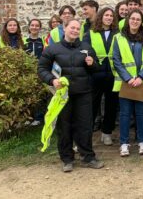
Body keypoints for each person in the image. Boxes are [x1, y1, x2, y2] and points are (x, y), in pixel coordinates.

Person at [38, 19, 104, 172]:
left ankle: (88, 157)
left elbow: (97, 69)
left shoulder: (86, 48)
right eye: (72, 28)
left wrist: (92, 63)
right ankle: (67, 159)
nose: (75, 31)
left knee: (85, 126)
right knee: (64, 127)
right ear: (64, 28)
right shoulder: (52, 49)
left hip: (84, 93)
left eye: (77, 29)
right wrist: (52, 80)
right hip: (62, 96)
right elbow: (42, 68)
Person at [112, 9, 143, 157]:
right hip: (126, 83)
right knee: (125, 114)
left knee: (142, 113)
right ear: (128, 20)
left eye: (138, 19)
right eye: (133, 18)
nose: (135, 21)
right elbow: (116, 60)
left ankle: (142, 141)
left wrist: (141, 77)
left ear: (142, 22)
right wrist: (128, 78)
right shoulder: (118, 37)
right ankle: (124, 143)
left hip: (141, 82)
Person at [84, 7, 119, 146]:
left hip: (112, 73)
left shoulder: (118, 34)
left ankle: (107, 132)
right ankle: (86, 135)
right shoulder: (90, 33)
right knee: (92, 106)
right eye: (106, 15)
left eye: (111, 16)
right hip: (95, 74)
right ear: (101, 17)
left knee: (111, 105)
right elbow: (85, 49)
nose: (109, 18)